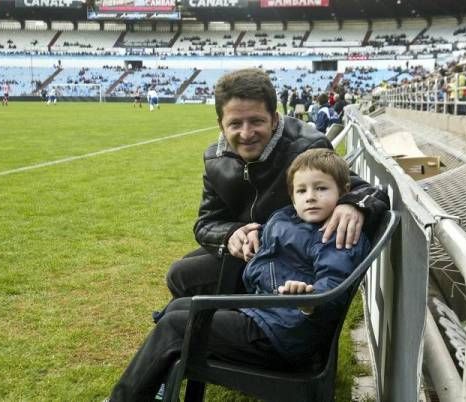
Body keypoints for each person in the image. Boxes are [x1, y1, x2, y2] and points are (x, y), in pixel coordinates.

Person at [107, 148, 379, 401]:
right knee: (179, 307)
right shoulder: (287, 218)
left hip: (282, 335)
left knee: (175, 326)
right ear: (292, 195)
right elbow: (270, 240)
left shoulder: (337, 235)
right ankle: (159, 384)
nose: (310, 197)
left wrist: (309, 302)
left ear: (344, 192)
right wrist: (252, 240)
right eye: (301, 190)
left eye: (321, 188)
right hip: (264, 314)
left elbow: (332, 286)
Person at [162, 68, 388, 309]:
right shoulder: (215, 159)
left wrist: (352, 204)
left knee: (182, 276)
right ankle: (202, 334)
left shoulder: (306, 148)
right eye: (235, 123)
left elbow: (365, 190)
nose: (246, 133)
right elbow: (206, 224)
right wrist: (231, 235)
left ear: (275, 118)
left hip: (288, 261)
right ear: (221, 124)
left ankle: (211, 331)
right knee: (182, 274)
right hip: (248, 253)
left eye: (256, 121)